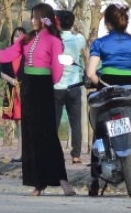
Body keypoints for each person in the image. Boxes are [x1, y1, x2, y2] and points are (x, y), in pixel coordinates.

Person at [0, 3, 76, 197]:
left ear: (44, 18)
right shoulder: (25, 39)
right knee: (31, 136)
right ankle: (38, 183)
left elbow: (57, 68)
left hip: (44, 86)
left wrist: (48, 85)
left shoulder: (54, 40)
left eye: (35, 17)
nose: (31, 20)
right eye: (31, 16)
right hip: (28, 86)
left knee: (48, 136)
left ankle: (62, 181)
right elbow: (4, 55)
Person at [85, 3, 131, 195]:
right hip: (128, 88)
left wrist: (100, 84)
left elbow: (91, 73)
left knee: (99, 129)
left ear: (108, 22)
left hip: (106, 88)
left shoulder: (99, 43)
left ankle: (95, 181)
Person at [54, 11, 84, 165]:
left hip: (56, 87)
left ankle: (53, 153)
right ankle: (76, 155)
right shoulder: (78, 39)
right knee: (76, 122)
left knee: (54, 122)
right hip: (74, 86)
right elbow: (81, 38)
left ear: (57, 22)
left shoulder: (53, 40)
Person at [0, 27, 27, 162]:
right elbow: (2, 72)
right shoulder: (7, 53)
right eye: (16, 36)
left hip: (26, 91)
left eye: (22, 36)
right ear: (12, 38)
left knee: (24, 122)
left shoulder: (29, 54)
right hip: (13, 91)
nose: (18, 38)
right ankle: (21, 151)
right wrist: (10, 80)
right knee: (18, 122)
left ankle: (22, 152)